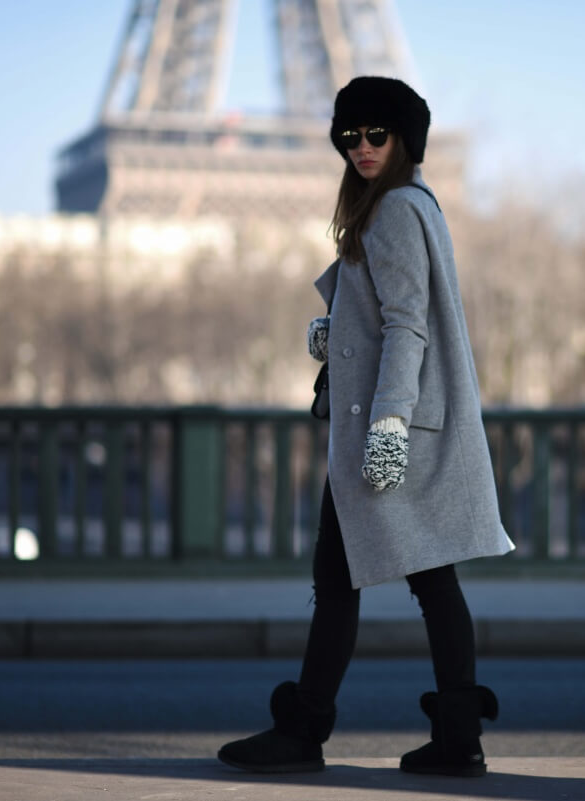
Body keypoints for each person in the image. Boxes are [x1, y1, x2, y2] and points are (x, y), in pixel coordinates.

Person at [216, 76, 515, 778]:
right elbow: (392, 314)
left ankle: (306, 731)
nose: (361, 148)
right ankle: (457, 736)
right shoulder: (412, 207)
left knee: (350, 579)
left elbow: (410, 325)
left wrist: (386, 427)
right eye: (349, 137)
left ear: (405, 138)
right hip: (408, 426)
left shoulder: (395, 212)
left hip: (390, 433)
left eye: (376, 134)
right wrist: (338, 331)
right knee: (422, 581)